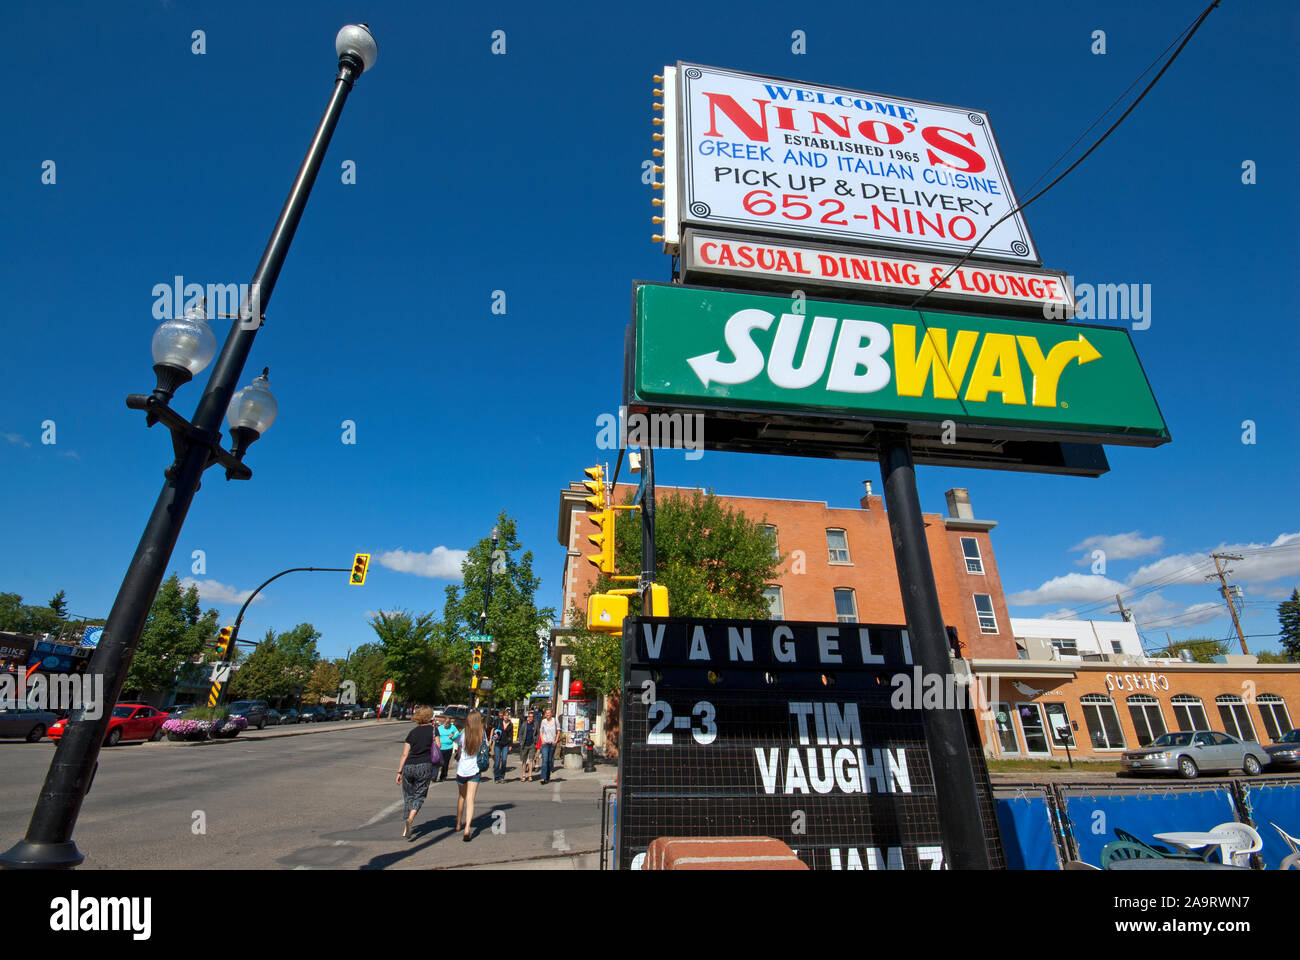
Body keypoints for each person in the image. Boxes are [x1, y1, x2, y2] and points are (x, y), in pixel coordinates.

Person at [396, 706, 437, 840]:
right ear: (429, 716)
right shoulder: (433, 730)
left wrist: (399, 771)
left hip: (409, 766)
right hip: (424, 766)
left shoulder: (412, 733)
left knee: (408, 795)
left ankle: (405, 826)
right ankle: (411, 818)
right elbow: (439, 746)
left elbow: (404, 754)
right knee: (420, 794)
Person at [454, 710, 485, 841]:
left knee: (462, 796)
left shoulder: (463, 734)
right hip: (475, 770)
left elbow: (459, 752)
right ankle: (467, 828)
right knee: (470, 800)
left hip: (462, 770)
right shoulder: (482, 734)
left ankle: (458, 823)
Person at [436, 713, 460, 782]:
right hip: (440, 747)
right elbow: (436, 735)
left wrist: (452, 737)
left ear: (449, 723)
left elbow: (457, 733)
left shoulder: (452, 727)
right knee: (438, 762)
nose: (446, 725)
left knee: (445, 762)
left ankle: (443, 776)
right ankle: (434, 775)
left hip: (449, 747)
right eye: (445, 724)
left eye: (447, 724)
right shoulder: (440, 728)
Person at [538, 707, 558, 784]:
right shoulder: (543, 721)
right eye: (546, 713)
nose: (547, 714)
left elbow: (558, 731)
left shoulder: (555, 721)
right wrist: (542, 740)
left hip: (552, 743)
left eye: (549, 713)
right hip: (545, 743)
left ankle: (547, 776)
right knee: (545, 760)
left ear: (551, 714)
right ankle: (543, 777)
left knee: (549, 761)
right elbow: (541, 731)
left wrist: (556, 741)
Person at [491, 709, 513, 783]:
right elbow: (494, 730)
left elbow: (511, 735)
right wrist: (493, 736)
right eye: (505, 715)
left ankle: (502, 777)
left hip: (505, 744)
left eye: (507, 715)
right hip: (498, 743)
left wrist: (510, 745)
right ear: (503, 716)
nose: (506, 717)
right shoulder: (498, 722)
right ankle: (496, 777)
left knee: (504, 760)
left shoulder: (510, 724)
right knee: (497, 761)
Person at [518, 708, 538, 781]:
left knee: (531, 759)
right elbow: (520, 733)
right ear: (528, 717)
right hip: (525, 744)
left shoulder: (535, 724)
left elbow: (537, 733)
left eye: (532, 717)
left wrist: (536, 741)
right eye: (530, 717)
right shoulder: (524, 724)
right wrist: (521, 742)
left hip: (532, 744)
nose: (531, 718)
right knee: (524, 760)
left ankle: (530, 775)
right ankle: (523, 775)